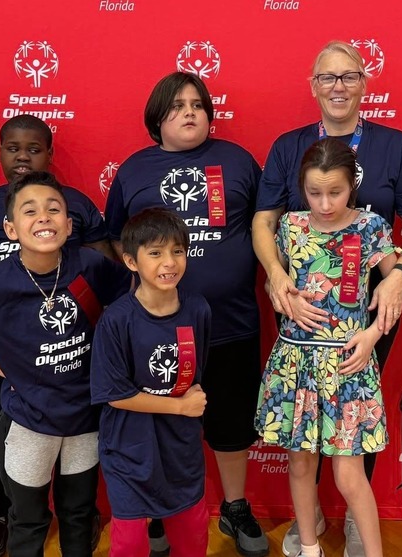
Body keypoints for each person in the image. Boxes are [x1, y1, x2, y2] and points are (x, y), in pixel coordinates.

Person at [251, 40, 402, 557]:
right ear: (313, 85)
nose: (338, 86)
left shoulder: (393, 149)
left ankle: (358, 525)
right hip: (298, 339)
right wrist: (274, 273)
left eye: (348, 76)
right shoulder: (289, 151)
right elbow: (264, 222)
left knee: (352, 444)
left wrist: (399, 274)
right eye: (328, 77)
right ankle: (307, 531)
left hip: (367, 315)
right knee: (302, 454)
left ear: (364, 82)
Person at [0, 171, 131, 557]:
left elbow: (132, 299)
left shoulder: (91, 266)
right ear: (11, 229)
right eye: (30, 211)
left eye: (54, 209)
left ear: (69, 224)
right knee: (29, 522)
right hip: (29, 423)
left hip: (85, 419)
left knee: (79, 515)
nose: (44, 217)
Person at [104, 71, 268, 557]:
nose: (189, 112)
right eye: (176, 106)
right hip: (154, 331)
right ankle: (158, 509)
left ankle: (235, 508)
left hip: (233, 321)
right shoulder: (134, 169)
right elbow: (116, 236)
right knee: (162, 423)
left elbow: (266, 226)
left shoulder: (238, 161)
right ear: (156, 119)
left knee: (231, 422)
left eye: (197, 104)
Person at [0, 114, 113, 556]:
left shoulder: (76, 206)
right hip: (7, 352)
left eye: (34, 149)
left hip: (68, 350)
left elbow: (103, 271)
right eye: (13, 148)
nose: (23, 157)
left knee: (77, 439)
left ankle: (79, 514)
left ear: (49, 154)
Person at [255, 138, 396, 557]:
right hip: (294, 361)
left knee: (350, 475)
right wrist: (283, 294)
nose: (324, 203)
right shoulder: (291, 226)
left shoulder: (372, 229)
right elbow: (271, 280)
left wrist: (371, 336)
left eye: (334, 192)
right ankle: (309, 547)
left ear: (352, 185)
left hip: (349, 366)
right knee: (300, 463)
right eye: (314, 192)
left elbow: (394, 291)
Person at [91, 208, 212, 557]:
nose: (169, 262)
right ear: (131, 261)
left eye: (177, 251)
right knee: (129, 543)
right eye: (155, 253)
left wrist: (185, 409)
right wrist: (179, 406)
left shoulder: (198, 309)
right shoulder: (116, 320)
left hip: (180, 446)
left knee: (191, 537)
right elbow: (115, 394)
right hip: (129, 449)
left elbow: (196, 375)